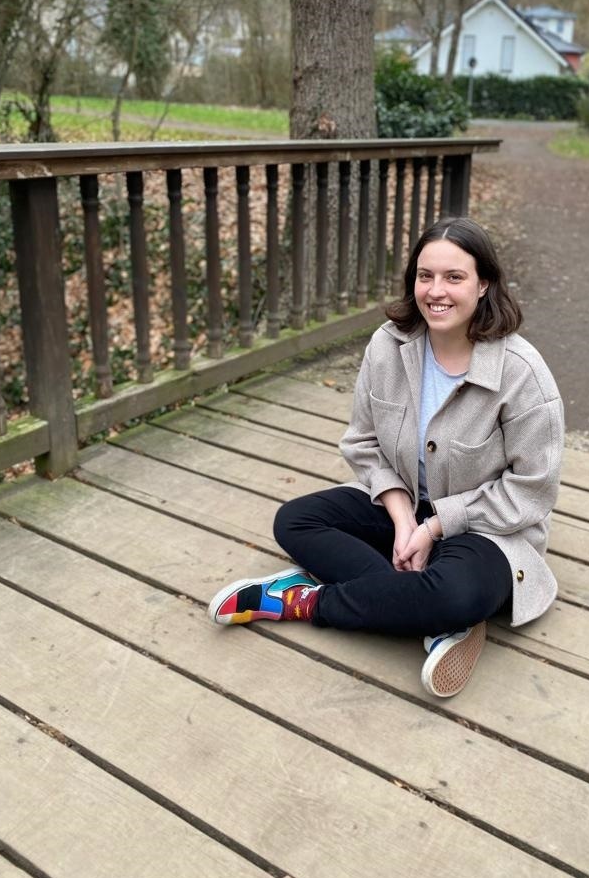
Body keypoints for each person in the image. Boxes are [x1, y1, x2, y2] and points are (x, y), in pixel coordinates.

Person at [208, 216, 564, 698]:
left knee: (453, 593)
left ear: (484, 284)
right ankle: (430, 613)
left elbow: (531, 491)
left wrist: (434, 527)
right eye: (425, 275)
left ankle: (302, 601)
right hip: (406, 500)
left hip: (487, 528)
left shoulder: (523, 375)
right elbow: (363, 442)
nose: (436, 290)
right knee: (295, 521)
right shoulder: (388, 345)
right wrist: (402, 519)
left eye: (454, 277)